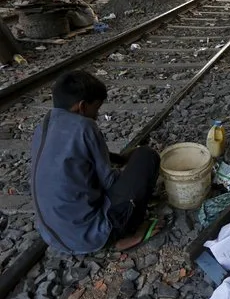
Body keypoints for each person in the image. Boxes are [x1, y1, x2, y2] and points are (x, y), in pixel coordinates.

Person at [31, 70, 163, 255]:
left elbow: (79, 156)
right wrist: (129, 174)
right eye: (97, 108)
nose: (97, 114)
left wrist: (121, 159)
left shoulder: (45, 124)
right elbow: (109, 181)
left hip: (53, 235)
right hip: (92, 235)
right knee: (147, 156)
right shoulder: (85, 126)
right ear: (82, 106)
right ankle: (123, 235)